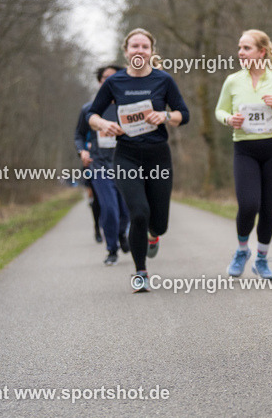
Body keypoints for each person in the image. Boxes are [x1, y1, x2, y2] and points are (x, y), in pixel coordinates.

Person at [88, 29, 190, 292]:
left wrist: (165, 117)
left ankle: (154, 236)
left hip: (158, 156)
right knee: (139, 213)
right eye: (135, 46)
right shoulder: (115, 82)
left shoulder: (163, 80)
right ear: (126, 51)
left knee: (159, 223)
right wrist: (104, 124)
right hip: (126, 156)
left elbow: (183, 114)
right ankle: (140, 272)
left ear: (151, 51)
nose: (139, 51)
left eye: (145, 46)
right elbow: (92, 115)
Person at [215, 29, 272, 279]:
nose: (240, 52)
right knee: (249, 204)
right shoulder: (233, 81)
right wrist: (230, 119)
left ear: (261, 52)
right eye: (240, 48)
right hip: (245, 150)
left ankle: (262, 259)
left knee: (268, 207)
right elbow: (219, 111)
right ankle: (242, 250)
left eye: (246, 48)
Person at [75, 64, 130, 264]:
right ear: (99, 82)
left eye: (114, 77)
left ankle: (122, 232)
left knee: (126, 210)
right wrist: (83, 151)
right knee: (109, 208)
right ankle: (112, 250)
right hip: (99, 165)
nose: (109, 80)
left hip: (125, 164)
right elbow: (79, 135)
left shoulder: (128, 107)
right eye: (105, 77)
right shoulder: (89, 109)